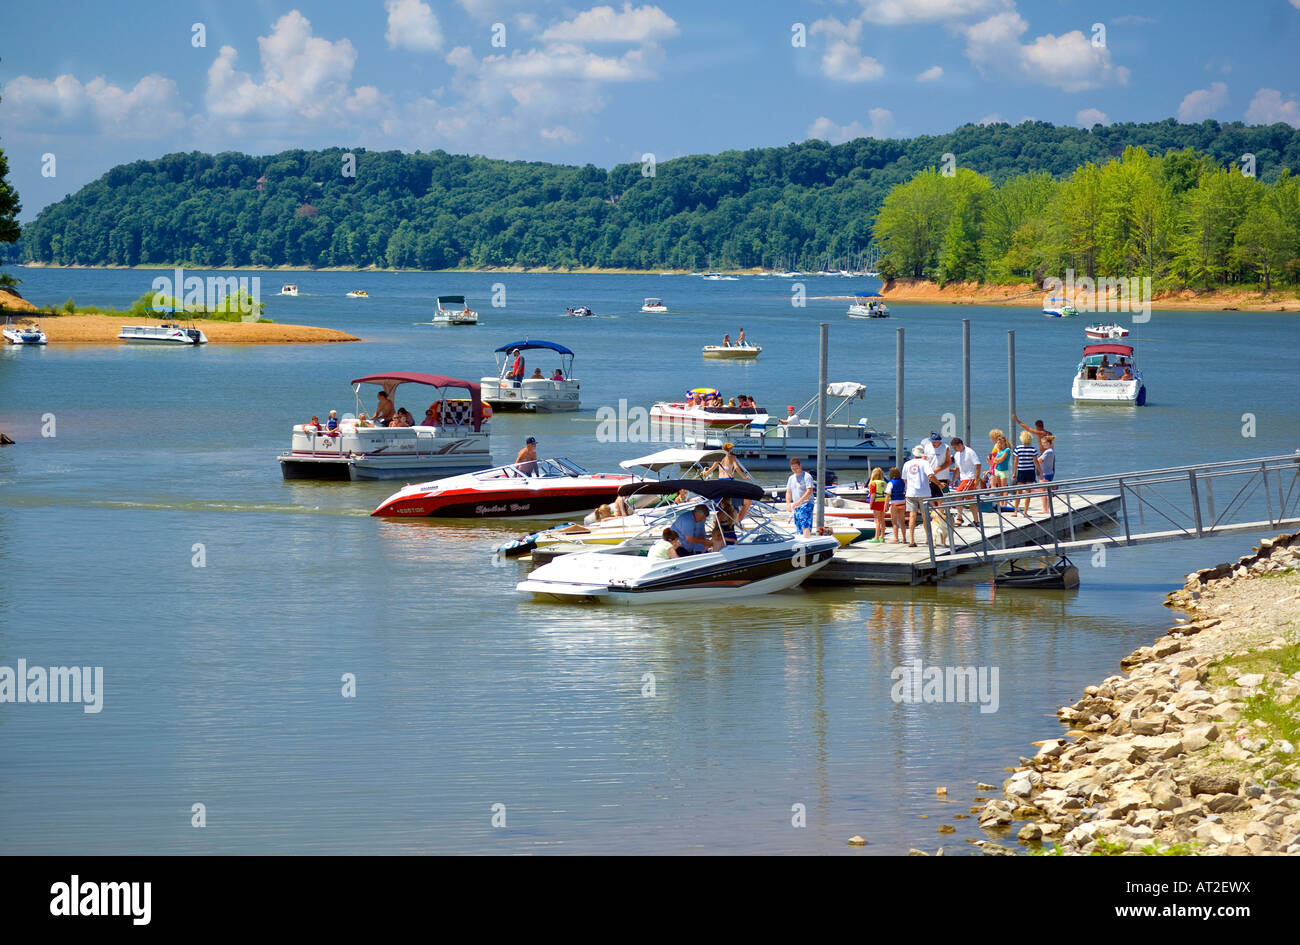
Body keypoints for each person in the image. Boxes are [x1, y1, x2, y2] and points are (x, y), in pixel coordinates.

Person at [902, 445, 939, 547]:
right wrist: (939, 484)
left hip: (910, 493)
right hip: (924, 493)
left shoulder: (907, 464)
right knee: (925, 516)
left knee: (912, 516)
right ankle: (928, 538)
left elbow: (905, 479)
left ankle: (912, 540)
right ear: (922, 454)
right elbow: (930, 476)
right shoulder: (925, 463)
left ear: (914, 454)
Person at [949, 437, 982, 527]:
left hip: (970, 478)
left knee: (958, 495)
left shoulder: (970, 452)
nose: (955, 449)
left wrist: (976, 478)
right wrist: (954, 480)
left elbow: (978, 464)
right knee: (970, 500)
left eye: (955, 447)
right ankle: (976, 521)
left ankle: (959, 518)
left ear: (960, 445)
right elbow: (957, 469)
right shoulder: (956, 455)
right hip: (963, 479)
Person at [785, 457, 815, 536]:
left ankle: (806, 541)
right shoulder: (791, 478)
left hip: (807, 503)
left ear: (800, 466)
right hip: (796, 505)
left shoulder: (807, 476)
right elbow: (788, 492)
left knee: (805, 524)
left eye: (796, 468)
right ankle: (801, 542)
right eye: (793, 468)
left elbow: (809, 491)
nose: (795, 470)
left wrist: (799, 501)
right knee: (798, 525)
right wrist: (788, 504)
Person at [1012, 431, 1040, 515]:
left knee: (1018, 491)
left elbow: (1015, 462)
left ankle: (1015, 511)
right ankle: (1025, 512)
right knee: (1028, 492)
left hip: (1021, 471)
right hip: (1030, 471)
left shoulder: (1018, 448)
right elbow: (1036, 462)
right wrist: (1040, 471)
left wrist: (1014, 473)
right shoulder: (1033, 449)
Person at [921, 431, 953, 496]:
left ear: (939, 441)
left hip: (943, 477)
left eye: (935, 442)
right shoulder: (927, 447)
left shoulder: (945, 447)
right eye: (932, 441)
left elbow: (948, 462)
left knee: (943, 497)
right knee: (930, 498)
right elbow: (924, 461)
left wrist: (937, 470)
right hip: (930, 478)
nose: (933, 443)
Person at [867, 466, 890, 543]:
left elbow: (873, 495)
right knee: (882, 520)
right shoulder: (884, 483)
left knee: (877, 521)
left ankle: (876, 537)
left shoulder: (873, 483)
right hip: (883, 502)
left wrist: (870, 504)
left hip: (876, 502)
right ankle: (882, 536)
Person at [887, 466, 907, 544]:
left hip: (894, 502)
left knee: (894, 521)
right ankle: (904, 538)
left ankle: (896, 538)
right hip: (902, 502)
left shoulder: (891, 482)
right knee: (902, 521)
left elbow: (888, 494)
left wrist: (886, 504)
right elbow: (905, 490)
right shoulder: (902, 482)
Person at [1038, 434, 1056, 514]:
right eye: (1042, 443)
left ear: (1049, 443)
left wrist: (1035, 459)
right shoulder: (1051, 450)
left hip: (1045, 474)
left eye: (1045, 443)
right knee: (1047, 492)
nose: (1043, 444)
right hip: (1050, 472)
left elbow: (1040, 460)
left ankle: (1045, 509)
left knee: (1043, 492)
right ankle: (1047, 509)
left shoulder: (1047, 451)